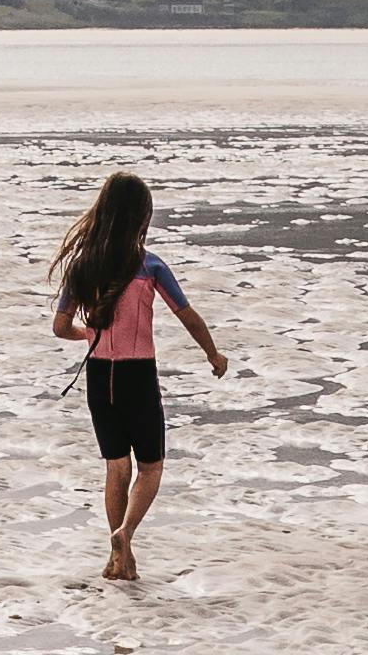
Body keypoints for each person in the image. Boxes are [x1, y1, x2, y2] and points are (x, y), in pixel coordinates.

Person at [48, 163, 231, 580]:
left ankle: (118, 557)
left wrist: (88, 334)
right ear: (142, 218)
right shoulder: (150, 267)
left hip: (99, 376)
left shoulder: (81, 267)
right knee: (151, 466)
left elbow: (60, 328)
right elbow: (187, 315)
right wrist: (213, 354)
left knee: (116, 466)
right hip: (138, 376)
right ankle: (125, 533)